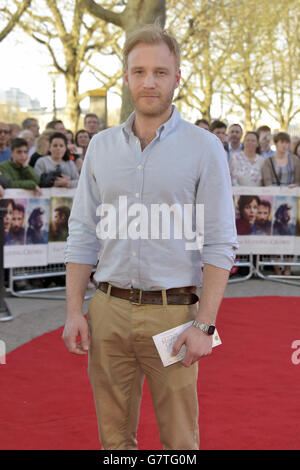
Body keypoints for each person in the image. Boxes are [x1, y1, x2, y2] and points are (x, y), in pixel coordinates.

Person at [63, 23, 238, 450]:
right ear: (126, 77)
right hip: (107, 310)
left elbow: (220, 242)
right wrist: (74, 311)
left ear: (177, 77)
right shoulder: (101, 147)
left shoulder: (204, 148)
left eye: (160, 72)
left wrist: (205, 324)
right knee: (114, 439)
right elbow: (83, 231)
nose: (149, 82)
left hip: (173, 316)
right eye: (139, 71)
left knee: (180, 441)